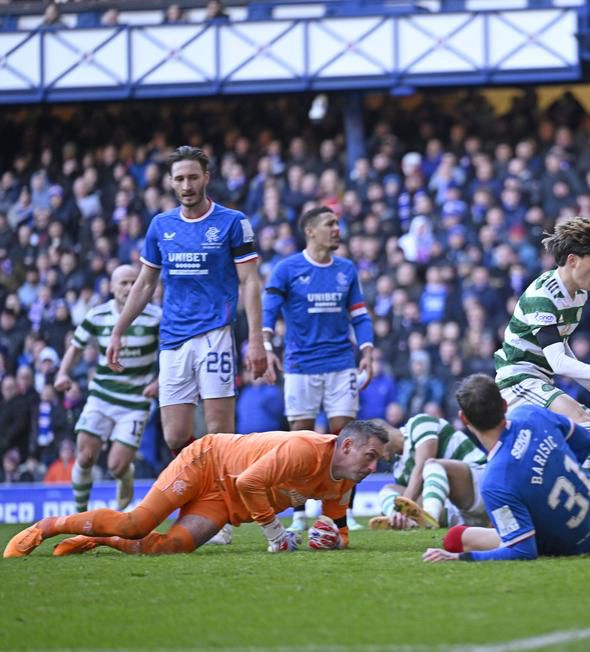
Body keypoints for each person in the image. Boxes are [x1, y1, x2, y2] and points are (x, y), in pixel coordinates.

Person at [108, 146, 267, 543]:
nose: (186, 185)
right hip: (173, 339)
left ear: (206, 177)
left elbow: (250, 282)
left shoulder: (233, 222)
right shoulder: (161, 225)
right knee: (177, 436)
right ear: (170, 182)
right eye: (179, 179)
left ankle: (221, 517)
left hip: (215, 334)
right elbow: (145, 284)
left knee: (219, 433)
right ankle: (205, 501)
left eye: (192, 177)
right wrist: (118, 329)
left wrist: (256, 340)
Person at [4, 421, 389, 558]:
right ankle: (48, 527)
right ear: (347, 446)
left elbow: (339, 529)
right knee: (137, 522)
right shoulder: (305, 451)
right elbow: (249, 481)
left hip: (226, 498)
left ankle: (99, 540)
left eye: (378, 463)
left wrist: (334, 542)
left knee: (167, 548)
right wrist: (275, 534)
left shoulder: (342, 480)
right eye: (370, 457)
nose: (373, 469)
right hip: (207, 462)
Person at [493, 216, 590, 497]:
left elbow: (560, 348)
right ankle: (564, 511)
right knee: (582, 427)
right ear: (573, 260)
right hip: (518, 379)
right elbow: (557, 362)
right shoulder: (543, 297)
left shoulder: (577, 294)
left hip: (539, 380)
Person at [422, 374, 590, 562]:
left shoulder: (495, 480)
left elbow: (523, 552)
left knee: (454, 538)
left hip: (577, 542)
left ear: (463, 419)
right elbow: (586, 439)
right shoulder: (530, 414)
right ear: (504, 405)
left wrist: (460, 558)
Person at [262, 206, 374, 532]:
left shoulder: (346, 269)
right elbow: (268, 310)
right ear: (310, 231)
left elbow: (360, 315)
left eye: (337, 223)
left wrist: (366, 349)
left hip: (341, 363)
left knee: (346, 438)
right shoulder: (287, 269)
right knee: (300, 441)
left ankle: (341, 513)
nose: (337, 229)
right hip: (300, 365)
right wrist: (266, 345)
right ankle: (298, 515)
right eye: (330, 224)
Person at [53, 265, 160, 513]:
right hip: (101, 396)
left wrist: (159, 381)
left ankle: (126, 475)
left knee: (116, 466)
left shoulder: (156, 317)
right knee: (86, 456)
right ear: (111, 287)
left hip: (135, 400)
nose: (129, 287)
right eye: (123, 283)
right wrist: (62, 372)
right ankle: (80, 516)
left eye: (134, 282)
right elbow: (76, 347)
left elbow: (170, 352)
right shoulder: (98, 315)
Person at [369, 413, 487, 531]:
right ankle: (401, 521)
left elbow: (421, 466)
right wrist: (396, 511)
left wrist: (399, 509)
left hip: (481, 487)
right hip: (457, 513)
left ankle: (430, 516)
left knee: (431, 465)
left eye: (376, 450)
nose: (378, 458)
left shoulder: (420, 423)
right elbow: (416, 497)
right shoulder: (398, 469)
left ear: (383, 432)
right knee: (388, 490)